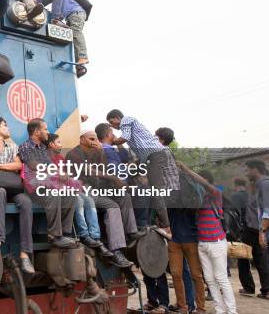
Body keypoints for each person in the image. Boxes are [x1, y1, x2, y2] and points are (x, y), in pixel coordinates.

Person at [65, 130, 135, 267]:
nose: (94, 142)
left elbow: (104, 169)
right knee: (112, 206)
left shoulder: (97, 151)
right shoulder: (73, 154)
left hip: (98, 189)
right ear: (82, 139)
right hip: (84, 192)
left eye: (96, 139)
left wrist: (102, 153)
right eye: (91, 138)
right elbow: (89, 171)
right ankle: (116, 250)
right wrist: (114, 178)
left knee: (124, 195)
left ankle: (131, 234)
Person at [154, 127, 204, 313]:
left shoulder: (187, 184)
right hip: (174, 236)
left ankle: (198, 307)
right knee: (176, 273)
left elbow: (196, 201)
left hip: (189, 235)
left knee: (195, 275)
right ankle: (183, 306)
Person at [107, 109, 179, 235]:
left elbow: (124, 138)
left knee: (155, 191)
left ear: (118, 117)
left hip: (154, 156)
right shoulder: (128, 127)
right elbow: (128, 153)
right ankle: (147, 223)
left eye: (112, 122)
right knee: (139, 182)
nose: (113, 126)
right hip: (148, 158)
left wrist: (110, 141)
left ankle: (166, 227)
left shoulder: (127, 120)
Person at [178, 163, 237, 314]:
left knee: (221, 278)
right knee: (210, 280)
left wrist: (187, 169)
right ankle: (219, 310)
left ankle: (232, 311)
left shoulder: (216, 194)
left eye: (201, 181)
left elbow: (203, 183)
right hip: (202, 243)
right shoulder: (198, 200)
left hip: (216, 242)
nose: (198, 184)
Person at [0, 117, 34, 273]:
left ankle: (25, 255)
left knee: (26, 202)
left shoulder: (12, 146)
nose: (8, 128)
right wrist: (1, 167)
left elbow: (18, 164)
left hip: (14, 189)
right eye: (5, 125)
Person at [46, 133, 113, 259]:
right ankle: (84, 235)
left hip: (72, 188)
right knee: (79, 200)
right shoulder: (48, 159)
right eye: (59, 142)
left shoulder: (61, 158)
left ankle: (95, 236)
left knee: (89, 201)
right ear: (51, 144)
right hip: (62, 191)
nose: (61, 145)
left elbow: (69, 177)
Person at [17, 118, 77, 249]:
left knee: (71, 194)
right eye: (45, 129)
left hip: (47, 185)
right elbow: (33, 165)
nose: (47, 132)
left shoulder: (43, 148)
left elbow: (50, 166)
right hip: (33, 188)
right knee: (54, 193)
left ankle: (65, 233)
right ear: (37, 132)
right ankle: (54, 236)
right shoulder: (25, 146)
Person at [246, 160, 269, 285]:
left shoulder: (266, 184)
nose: (246, 173)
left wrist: (262, 231)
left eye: (247, 170)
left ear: (255, 170)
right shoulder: (259, 186)